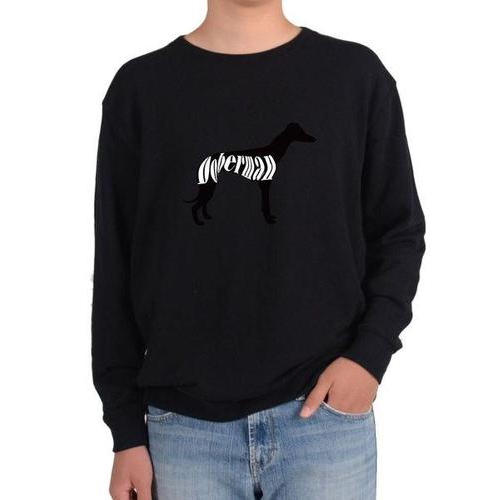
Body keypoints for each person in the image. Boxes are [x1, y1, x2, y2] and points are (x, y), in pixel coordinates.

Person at [92, 0, 425, 498]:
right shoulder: (140, 89)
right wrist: (125, 431)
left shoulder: (355, 77)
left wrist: (369, 356)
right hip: (182, 433)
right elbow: (115, 267)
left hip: (324, 422)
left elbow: (398, 232)